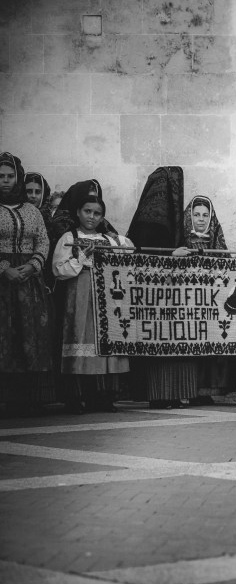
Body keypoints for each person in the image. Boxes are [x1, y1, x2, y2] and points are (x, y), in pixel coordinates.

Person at [52, 191, 132, 413]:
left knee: (103, 344)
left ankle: (103, 396)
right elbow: (59, 270)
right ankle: (75, 397)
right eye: (87, 211)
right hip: (80, 296)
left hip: (106, 299)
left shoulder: (113, 240)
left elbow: (133, 255)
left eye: (97, 213)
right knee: (80, 339)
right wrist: (80, 259)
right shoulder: (69, 239)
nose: (92, 217)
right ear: (78, 212)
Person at [127, 166, 198, 409]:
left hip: (170, 294)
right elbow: (146, 253)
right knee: (158, 346)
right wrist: (171, 254)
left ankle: (170, 394)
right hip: (154, 295)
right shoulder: (153, 220)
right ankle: (159, 395)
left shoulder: (154, 216)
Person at [0, 151, 54, 416]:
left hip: (29, 281)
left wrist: (33, 265)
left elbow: (43, 241)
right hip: (3, 282)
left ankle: (28, 398)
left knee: (29, 335)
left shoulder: (31, 210)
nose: (6, 181)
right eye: (1, 176)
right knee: (5, 335)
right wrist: (4, 269)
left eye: (10, 176)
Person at [176, 195, 234, 405]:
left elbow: (228, 266)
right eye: (196, 214)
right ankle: (187, 388)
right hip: (185, 300)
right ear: (189, 216)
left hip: (210, 303)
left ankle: (203, 390)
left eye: (205, 215)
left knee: (207, 344)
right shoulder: (180, 239)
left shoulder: (215, 241)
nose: (201, 219)